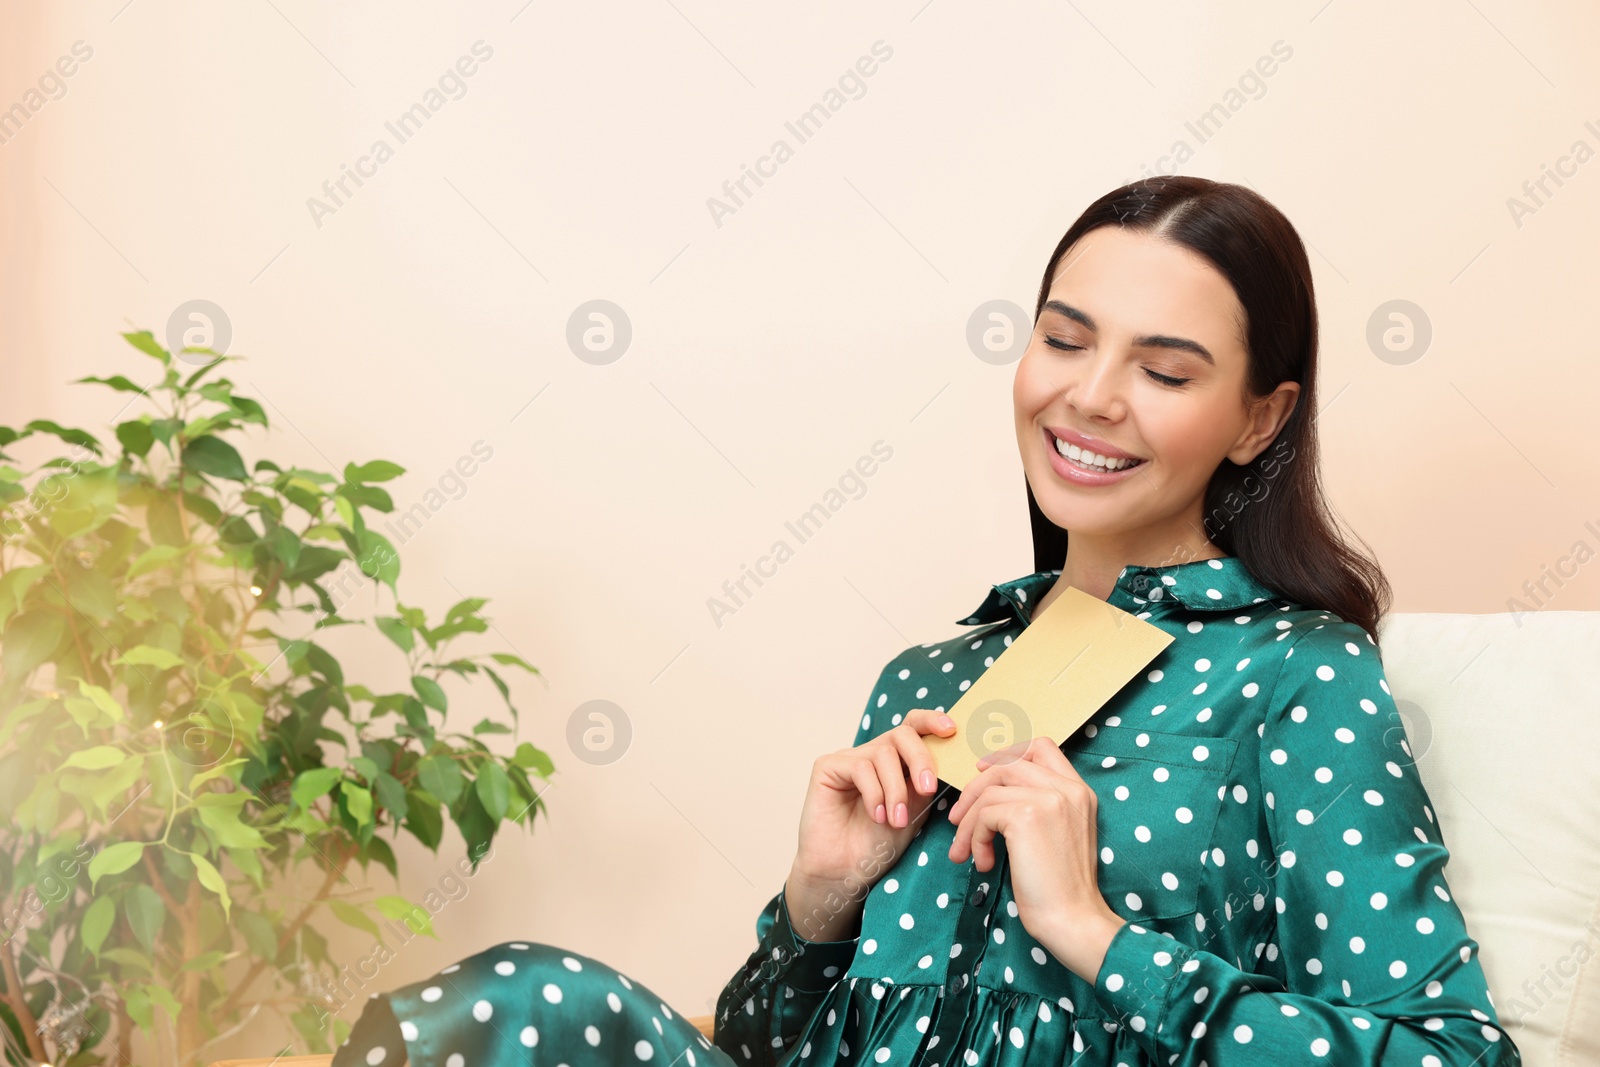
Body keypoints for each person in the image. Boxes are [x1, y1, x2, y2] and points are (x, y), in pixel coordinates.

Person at [328, 176, 1522, 1067]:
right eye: (1063, 338)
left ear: (1258, 419)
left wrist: (1093, 931)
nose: (1089, 394)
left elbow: (1453, 1056)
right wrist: (816, 900)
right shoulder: (936, 675)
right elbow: (758, 1039)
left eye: (1164, 370)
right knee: (521, 1008)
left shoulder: (1296, 676)